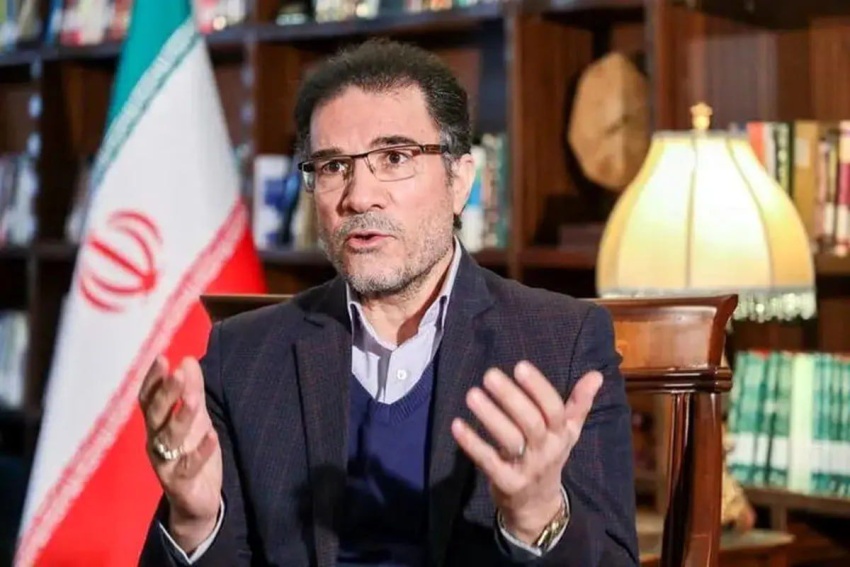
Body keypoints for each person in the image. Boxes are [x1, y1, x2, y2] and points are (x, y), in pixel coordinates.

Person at [138, 38, 639, 566]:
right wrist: (194, 521)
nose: (359, 196)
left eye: (394, 158)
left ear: (460, 180)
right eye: (333, 166)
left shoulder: (560, 342)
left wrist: (539, 518)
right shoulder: (245, 354)